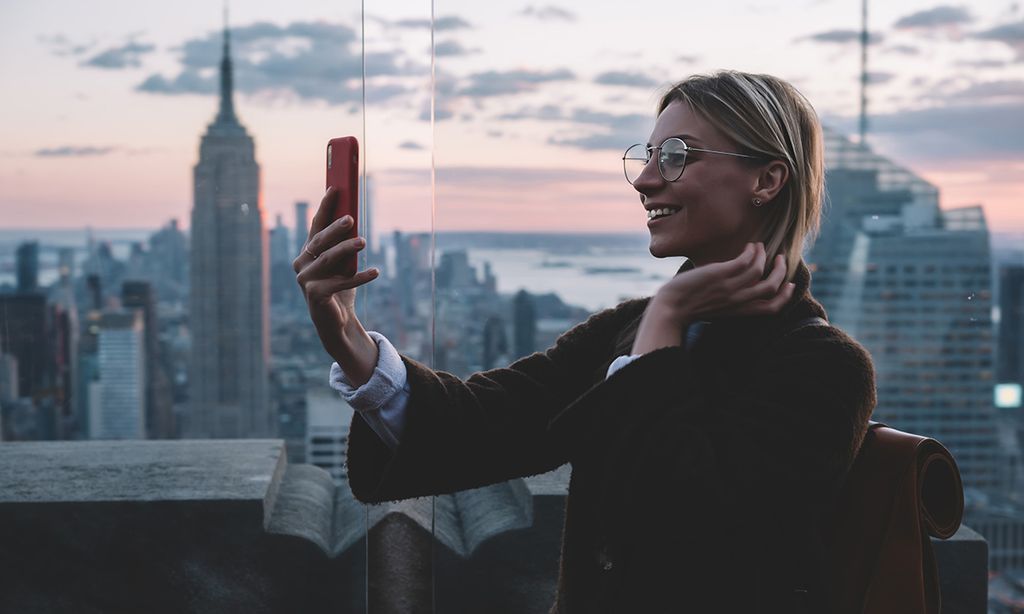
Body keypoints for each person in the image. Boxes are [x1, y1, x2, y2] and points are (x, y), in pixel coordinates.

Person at [293, 70, 877, 613]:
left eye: (675, 157)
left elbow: (695, 526)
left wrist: (666, 320)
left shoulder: (823, 368)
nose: (647, 179)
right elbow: (482, 424)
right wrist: (346, 336)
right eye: (648, 157)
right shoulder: (628, 329)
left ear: (767, 179)